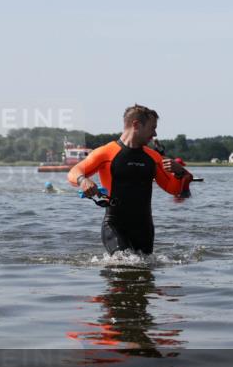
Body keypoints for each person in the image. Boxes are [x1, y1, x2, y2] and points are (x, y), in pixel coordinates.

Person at [68, 105, 191, 255]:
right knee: (122, 266)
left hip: (144, 228)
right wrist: (82, 180)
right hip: (115, 225)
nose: (155, 133)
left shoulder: (153, 157)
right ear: (136, 125)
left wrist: (179, 173)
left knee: (144, 273)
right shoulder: (106, 153)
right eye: (152, 128)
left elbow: (173, 189)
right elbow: (74, 171)